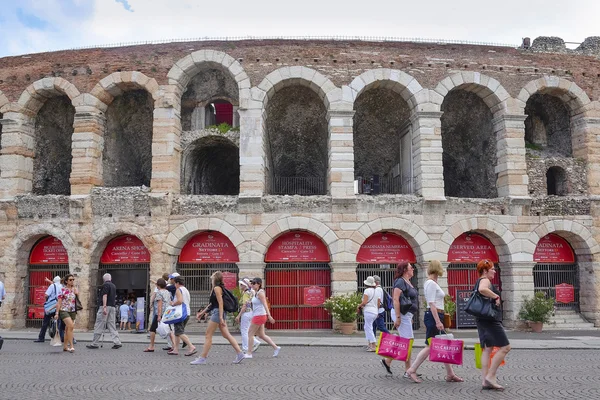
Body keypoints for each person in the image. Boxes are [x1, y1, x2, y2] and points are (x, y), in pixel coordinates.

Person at [404, 260, 463, 383]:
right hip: (433, 316)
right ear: (437, 268)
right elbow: (431, 303)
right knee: (429, 345)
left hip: (436, 315)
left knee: (442, 344)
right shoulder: (430, 283)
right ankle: (412, 370)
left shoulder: (433, 283)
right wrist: (437, 321)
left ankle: (450, 374)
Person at [191, 271, 245, 365]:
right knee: (226, 335)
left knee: (208, 335)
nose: (211, 279)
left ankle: (202, 358)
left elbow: (220, 303)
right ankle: (240, 353)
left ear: (214, 279)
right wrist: (202, 313)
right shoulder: (217, 288)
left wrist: (220, 317)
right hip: (218, 312)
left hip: (218, 313)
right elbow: (212, 304)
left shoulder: (217, 288)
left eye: (212, 278)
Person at [475, 259, 511, 391]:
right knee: (506, 347)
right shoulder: (485, 280)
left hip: (482, 318)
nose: (495, 271)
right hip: (490, 319)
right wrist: (496, 296)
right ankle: (490, 376)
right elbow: (482, 289)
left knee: (488, 348)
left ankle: (485, 380)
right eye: (492, 269)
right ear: (485, 271)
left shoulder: (480, 279)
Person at [382, 262, 419, 379]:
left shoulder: (408, 282)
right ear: (404, 270)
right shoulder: (400, 281)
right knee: (408, 341)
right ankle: (408, 370)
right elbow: (396, 299)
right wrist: (398, 317)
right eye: (410, 267)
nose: (412, 268)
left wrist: (410, 317)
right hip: (401, 315)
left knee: (405, 341)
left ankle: (387, 361)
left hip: (406, 315)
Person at [244, 277, 281, 359]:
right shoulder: (256, 292)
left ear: (259, 284)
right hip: (259, 315)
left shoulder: (260, 293)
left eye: (254, 283)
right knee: (261, 335)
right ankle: (276, 347)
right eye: (252, 283)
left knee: (250, 333)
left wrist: (269, 316)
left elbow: (265, 304)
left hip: (259, 316)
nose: (252, 285)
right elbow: (249, 286)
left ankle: (249, 353)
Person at [86, 273, 122, 350]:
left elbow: (104, 295)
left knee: (99, 324)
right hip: (112, 307)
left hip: (105, 306)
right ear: (110, 278)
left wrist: (104, 307)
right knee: (112, 325)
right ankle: (117, 342)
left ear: (104, 279)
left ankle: (94, 343)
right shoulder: (113, 286)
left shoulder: (105, 285)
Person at [167, 276, 196, 356]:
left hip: (180, 314)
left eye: (175, 283)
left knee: (180, 332)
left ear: (177, 283)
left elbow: (180, 301)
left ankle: (191, 346)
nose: (174, 285)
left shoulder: (178, 290)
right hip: (187, 313)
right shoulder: (186, 290)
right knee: (177, 332)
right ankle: (175, 349)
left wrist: (173, 303)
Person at [234, 277, 262, 354]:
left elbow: (244, 306)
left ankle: (246, 347)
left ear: (245, 285)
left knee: (244, 331)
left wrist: (239, 315)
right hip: (251, 313)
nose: (240, 286)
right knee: (248, 331)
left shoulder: (246, 294)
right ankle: (255, 342)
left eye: (242, 285)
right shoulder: (250, 292)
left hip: (246, 313)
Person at [144, 278, 170, 352]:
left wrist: (158, 315)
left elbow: (159, 304)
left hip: (160, 313)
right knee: (170, 330)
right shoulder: (167, 292)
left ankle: (151, 346)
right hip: (166, 313)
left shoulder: (159, 292)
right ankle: (174, 346)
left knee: (152, 329)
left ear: (158, 285)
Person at [54, 274, 78, 353]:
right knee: (70, 326)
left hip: (72, 311)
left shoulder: (74, 289)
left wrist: (77, 293)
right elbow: (59, 302)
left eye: (73, 280)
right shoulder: (62, 289)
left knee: (68, 328)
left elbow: (76, 300)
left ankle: (65, 346)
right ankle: (71, 346)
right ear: (66, 281)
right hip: (64, 310)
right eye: (70, 280)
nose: (72, 281)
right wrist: (57, 313)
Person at [34, 276, 63, 343]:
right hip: (58, 306)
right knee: (59, 322)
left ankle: (41, 337)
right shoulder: (62, 286)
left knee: (45, 323)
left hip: (51, 307)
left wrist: (47, 299)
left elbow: (46, 295)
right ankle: (61, 337)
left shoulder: (52, 286)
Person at [357, 276, 380, 352]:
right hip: (375, 311)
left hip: (368, 311)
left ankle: (373, 345)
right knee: (368, 327)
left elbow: (364, 302)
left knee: (368, 328)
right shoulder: (377, 291)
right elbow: (378, 303)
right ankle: (370, 344)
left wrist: (359, 306)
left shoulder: (367, 291)